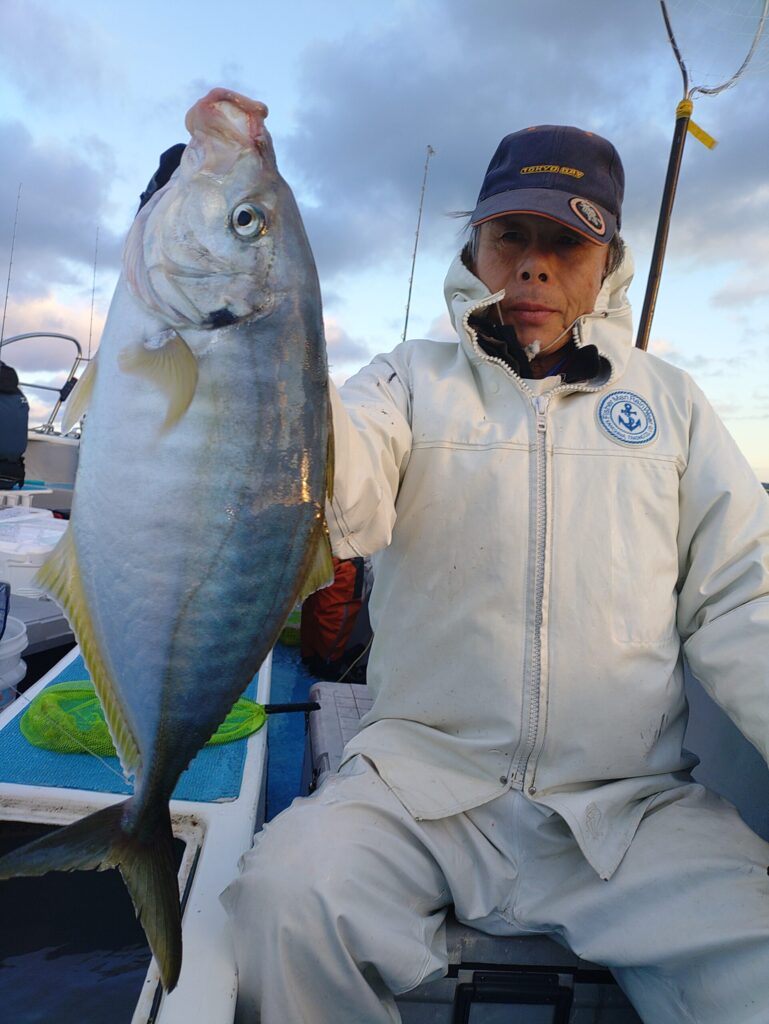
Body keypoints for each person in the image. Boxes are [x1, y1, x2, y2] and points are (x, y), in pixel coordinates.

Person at [222, 125, 769, 1023]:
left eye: (566, 244)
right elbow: (336, 490)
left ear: (608, 264)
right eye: (511, 236)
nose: (533, 266)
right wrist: (239, 314)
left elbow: (742, 598)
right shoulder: (405, 380)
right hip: (417, 787)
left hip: (626, 813)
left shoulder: (672, 404)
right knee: (284, 907)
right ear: (473, 249)